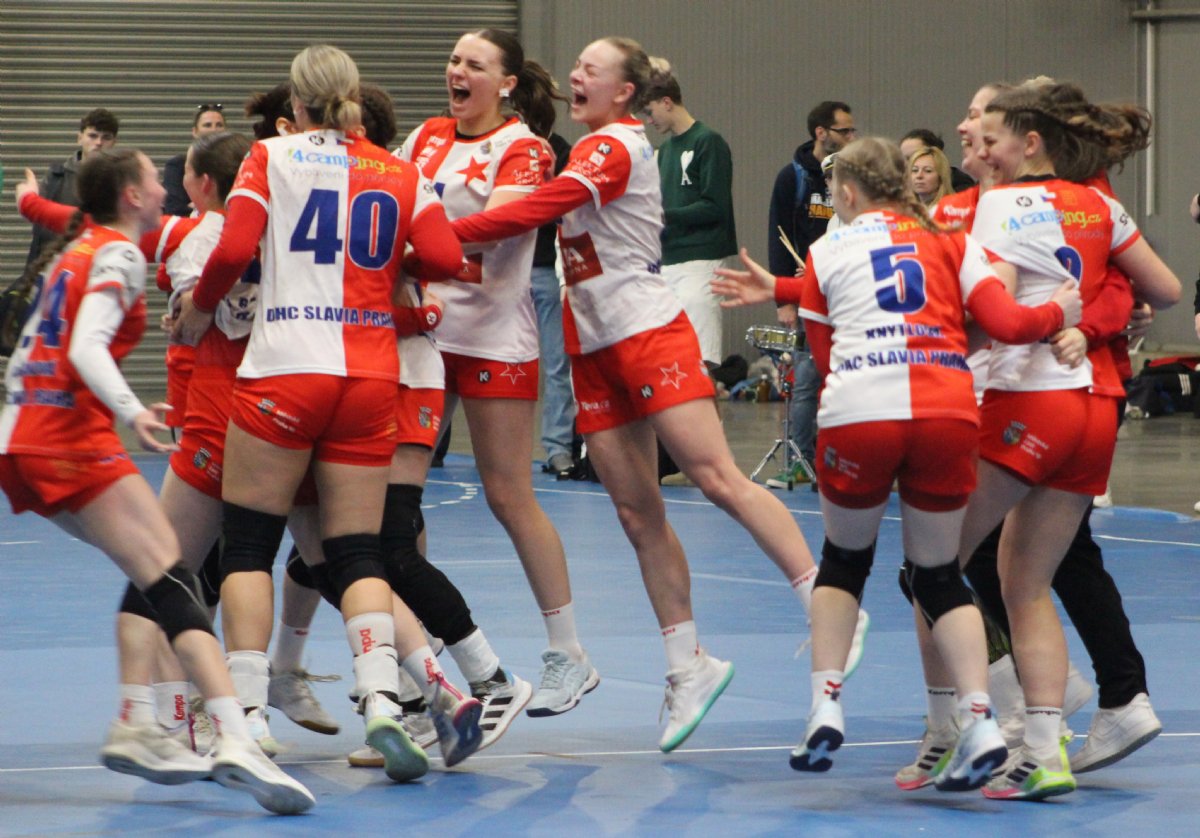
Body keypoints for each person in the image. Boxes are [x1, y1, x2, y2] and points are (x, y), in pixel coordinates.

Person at [451, 36, 867, 752]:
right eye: (576, 67)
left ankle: (828, 603)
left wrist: (436, 234)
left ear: (625, 92)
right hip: (592, 344)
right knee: (636, 512)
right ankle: (688, 665)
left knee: (716, 478)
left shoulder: (616, 145)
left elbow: (539, 207)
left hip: (646, 331)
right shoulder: (582, 146)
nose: (576, 75)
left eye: (591, 69)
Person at [713, 136, 1080, 788]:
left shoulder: (827, 250)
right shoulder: (951, 241)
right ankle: (980, 718)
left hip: (861, 409)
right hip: (945, 408)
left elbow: (823, 354)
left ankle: (825, 707)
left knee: (843, 562)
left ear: (849, 192)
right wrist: (1060, 311)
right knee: (938, 573)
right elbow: (1006, 322)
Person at [173, 44, 482, 783]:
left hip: (286, 367)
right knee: (357, 552)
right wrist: (391, 261)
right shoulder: (398, 170)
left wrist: (200, 310)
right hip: (370, 374)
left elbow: (234, 248)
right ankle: (382, 699)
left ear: (296, 102)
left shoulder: (270, 157)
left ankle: (248, 716)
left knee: (249, 547)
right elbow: (447, 258)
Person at [3, 147, 313, 814]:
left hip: (22, 433)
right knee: (172, 577)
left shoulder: (78, 249)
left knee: (152, 573)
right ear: (131, 195)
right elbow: (86, 346)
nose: (163, 186)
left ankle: (140, 721)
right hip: (67, 437)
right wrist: (131, 410)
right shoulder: (118, 252)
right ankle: (235, 738)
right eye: (151, 177)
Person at [896, 80, 1165, 790]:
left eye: (988, 129)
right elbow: (1155, 286)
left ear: (1026, 140)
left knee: (932, 569)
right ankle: (1041, 746)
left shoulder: (999, 207)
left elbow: (996, 315)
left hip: (1024, 401)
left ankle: (966, 726)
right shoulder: (1088, 201)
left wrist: (924, 338)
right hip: (1092, 403)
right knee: (1026, 581)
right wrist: (1098, 317)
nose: (973, 137)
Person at [396, 29, 600, 717]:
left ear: (506, 83)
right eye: (454, 60)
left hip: (491, 340)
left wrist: (419, 243)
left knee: (509, 495)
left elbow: (500, 225)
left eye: (474, 65)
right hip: (421, 336)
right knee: (400, 501)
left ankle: (568, 654)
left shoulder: (524, 147)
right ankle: (419, 657)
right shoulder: (425, 137)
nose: (457, 72)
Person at [765, 101, 855, 487]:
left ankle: (846, 459)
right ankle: (801, 459)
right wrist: (784, 298)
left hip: (846, 298)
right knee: (805, 379)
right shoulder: (794, 177)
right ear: (821, 132)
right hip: (809, 295)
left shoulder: (855, 198)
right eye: (844, 130)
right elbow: (777, 234)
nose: (851, 136)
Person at [642, 57, 737, 369]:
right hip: (668, 262)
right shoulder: (664, 152)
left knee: (698, 360)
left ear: (667, 102)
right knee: (669, 362)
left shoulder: (708, 142)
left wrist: (664, 216)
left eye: (650, 111)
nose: (649, 120)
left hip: (701, 261)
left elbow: (715, 206)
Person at [531, 130, 577, 476]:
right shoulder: (499, 146)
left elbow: (566, 211)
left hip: (546, 267)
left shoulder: (561, 151)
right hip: (503, 268)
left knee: (557, 362)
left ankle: (558, 446)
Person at [25, 108, 119, 269]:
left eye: (106, 137)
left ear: (114, 142)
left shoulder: (121, 182)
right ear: (79, 138)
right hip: (57, 268)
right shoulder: (56, 178)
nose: (99, 143)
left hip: (102, 268)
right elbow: (42, 229)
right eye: (93, 136)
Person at [163, 104, 227, 216]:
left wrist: (195, 206)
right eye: (207, 125)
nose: (214, 130)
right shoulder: (177, 166)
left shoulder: (235, 165)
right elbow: (174, 209)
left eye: (219, 125)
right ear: (195, 132)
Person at [899, 128, 974, 192]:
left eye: (916, 155)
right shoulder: (899, 187)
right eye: (904, 159)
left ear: (935, 153)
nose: (908, 164)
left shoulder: (961, 185)